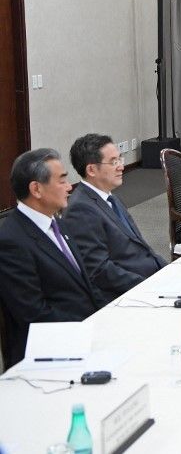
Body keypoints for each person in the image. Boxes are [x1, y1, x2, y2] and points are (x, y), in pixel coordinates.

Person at [0, 149, 102, 365]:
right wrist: (90, 332)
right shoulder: (11, 241)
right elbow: (35, 315)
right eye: (62, 181)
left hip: (85, 330)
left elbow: (84, 285)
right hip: (51, 351)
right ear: (36, 189)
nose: (69, 188)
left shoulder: (57, 223)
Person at [63, 134, 166, 303]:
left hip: (150, 276)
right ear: (91, 170)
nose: (121, 167)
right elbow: (99, 270)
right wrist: (148, 286)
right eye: (113, 162)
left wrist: (166, 270)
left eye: (120, 159)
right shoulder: (80, 209)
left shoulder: (109, 196)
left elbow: (140, 246)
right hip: (128, 294)